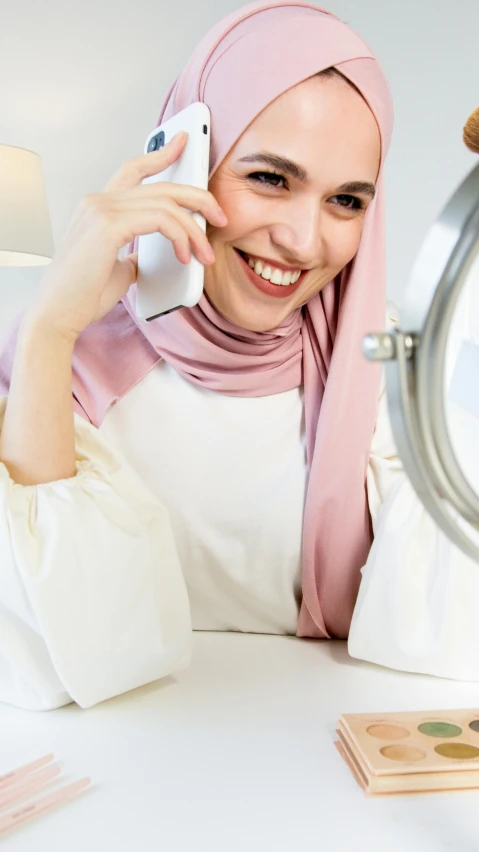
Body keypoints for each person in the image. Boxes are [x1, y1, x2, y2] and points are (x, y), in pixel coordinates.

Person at [0, 0, 477, 712]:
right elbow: (43, 654)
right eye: (269, 179)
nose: (303, 241)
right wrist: (47, 333)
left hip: (315, 764)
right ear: (185, 162)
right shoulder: (61, 359)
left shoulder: (383, 367)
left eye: (345, 200)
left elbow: (448, 630)